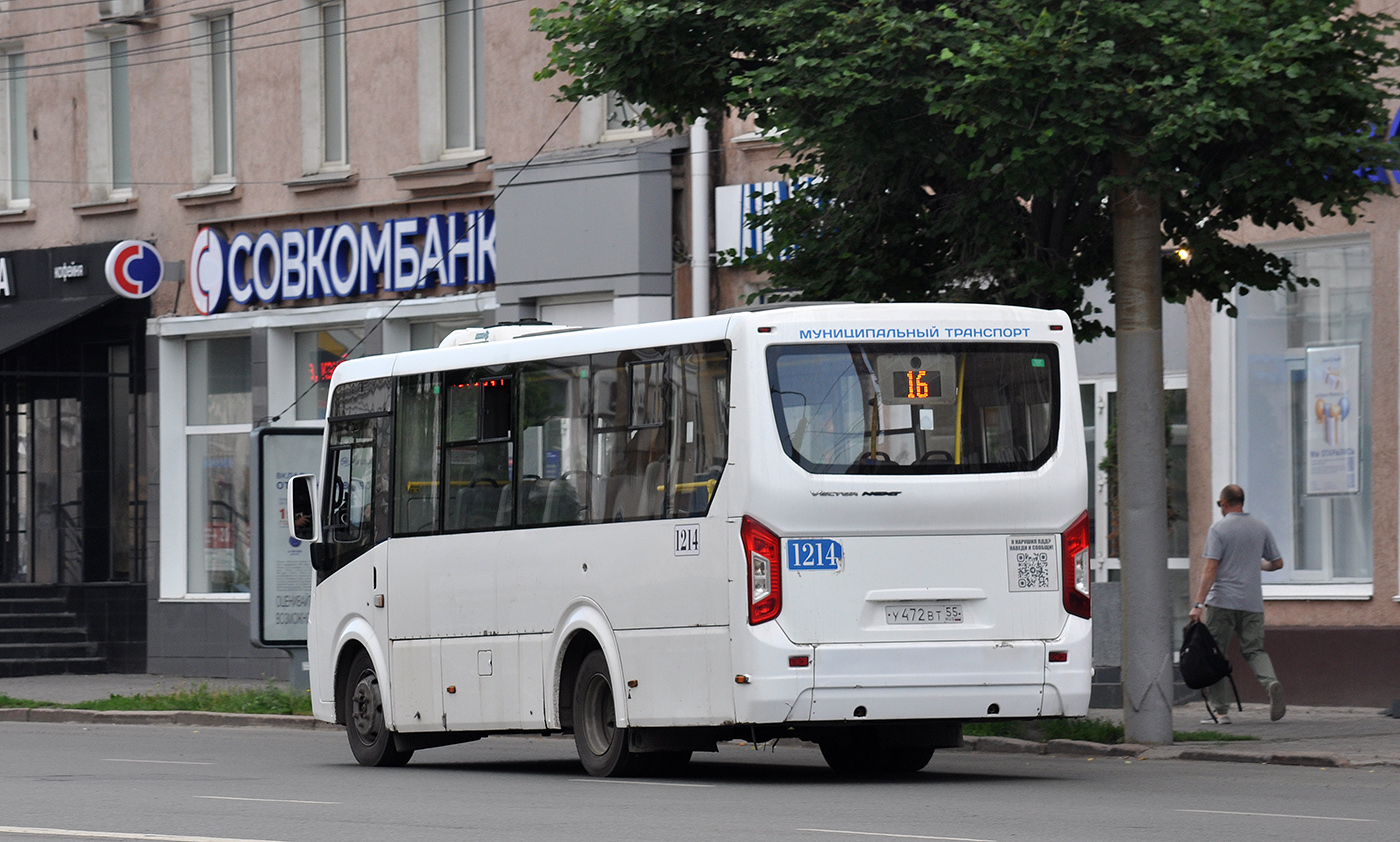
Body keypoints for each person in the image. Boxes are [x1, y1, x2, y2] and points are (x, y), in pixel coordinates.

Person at [1188, 484, 1286, 724]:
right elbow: (1277, 563)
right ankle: (1270, 682)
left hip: (1222, 603)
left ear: (1223, 502)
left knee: (1216, 654)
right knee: (1254, 650)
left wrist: (1198, 604)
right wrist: (1254, 564)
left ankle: (1221, 712)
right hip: (1252, 603)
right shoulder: (1260, 527)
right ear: (1241, 501)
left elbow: (1211, 568)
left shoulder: (1219, 529)